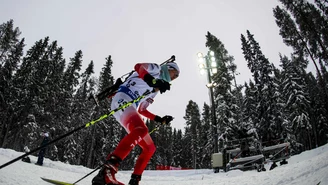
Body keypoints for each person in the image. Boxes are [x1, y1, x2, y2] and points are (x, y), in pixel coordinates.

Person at [92, 61, 180, 185]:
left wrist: (160, 119)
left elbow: (142, 110)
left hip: (130, 106)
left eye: (176, 77)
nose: (174, 78)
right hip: (122, 98)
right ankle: (107, 170)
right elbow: (139, 66)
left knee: (150, 148)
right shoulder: (157, 69)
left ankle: (135, 180)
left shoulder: (155, 90)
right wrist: (151, 80)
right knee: (141, 129)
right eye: (175, 74)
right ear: (169, 68)